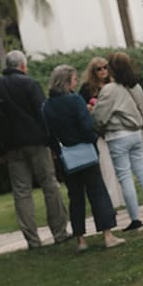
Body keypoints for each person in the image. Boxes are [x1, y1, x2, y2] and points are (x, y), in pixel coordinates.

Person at [0, 50, 69, 249]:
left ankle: (32, 239)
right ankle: (59, 232)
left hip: (11, 146)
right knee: (50, 185)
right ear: (22, 66)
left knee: (22, 192)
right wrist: (53, 143)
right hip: (37, 143)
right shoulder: (30, 84)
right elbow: (43, 114)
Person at [41, 65, 122, 251]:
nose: (76, 82)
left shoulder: (47, 106)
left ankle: (80, 239)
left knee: (75, 197)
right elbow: (87, 126)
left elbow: (48, 135)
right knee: (97, 192)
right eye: (74, 79)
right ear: (67, 81)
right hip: (85, 152)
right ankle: (108, 235)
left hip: (65, 156)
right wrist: (92, 139)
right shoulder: (75, 100)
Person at [93, 52, 143, 231]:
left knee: (125, 176)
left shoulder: (109, 89)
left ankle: (135, 219)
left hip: (118, 135)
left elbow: (99, 117)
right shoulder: (136, 87)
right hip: (137, 133)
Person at [79, 56, 124, 211]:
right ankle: (112, 201)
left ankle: (123, 198)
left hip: (115, 128)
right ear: (93, 71)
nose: (103, 71)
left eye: (105, 67)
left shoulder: (113, 84)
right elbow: (81, 108)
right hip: (99, 132)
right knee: (106, 167)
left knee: (120, 166)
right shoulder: (86, 89)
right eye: (99, 68)